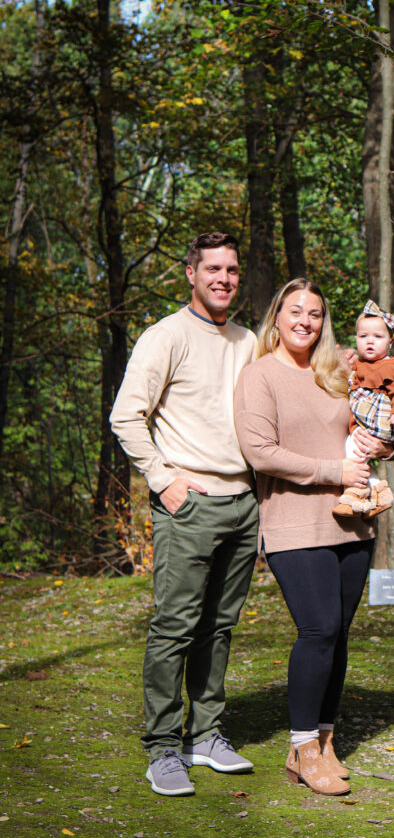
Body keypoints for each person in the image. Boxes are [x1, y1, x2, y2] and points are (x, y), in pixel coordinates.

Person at [111, 231, 259, 797]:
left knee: (219, 628)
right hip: (188, 505)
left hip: (243, 505)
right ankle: (162, 748)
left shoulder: (248, 340)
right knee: (175, 626)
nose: (224, 278)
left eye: (232, 270)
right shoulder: (165, 335)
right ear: (191, 274)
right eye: (213, 269)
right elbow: (127, 416)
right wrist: (163, 479)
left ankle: (207, 735)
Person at [233, 278, 389, 796]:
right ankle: (301, 749)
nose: (305, 321)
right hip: (294, 525)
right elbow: (261, 452)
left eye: (316, 314)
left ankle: (324, 740)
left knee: (338, 634)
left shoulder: (336, 374)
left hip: (352, 522)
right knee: (318, 629)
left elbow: (370, 426)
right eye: (296, 311)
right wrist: (335, 470)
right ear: (277, 315)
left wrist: (379, 444)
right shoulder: (259, 376)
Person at [333, 299, 394, 518]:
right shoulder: (360, 364)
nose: (370, 342)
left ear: (390, 343)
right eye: (363, 337)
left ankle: (355, 494)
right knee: (358, 452)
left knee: (353, 448)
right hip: (365, 417)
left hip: (378, 419)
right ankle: (379, 493)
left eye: (377, 337)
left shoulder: (390, 366)